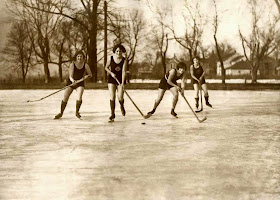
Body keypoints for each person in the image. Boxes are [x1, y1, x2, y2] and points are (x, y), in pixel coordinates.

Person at [54, 51, 92, 119]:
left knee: (79, 95)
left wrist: (86, 76)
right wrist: (73, 81)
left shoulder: (85, 65)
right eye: (78, 56)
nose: (79, 58)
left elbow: (90, 74)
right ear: (76, 57)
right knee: (65, 96)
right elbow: (70, 76)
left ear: (83, 57)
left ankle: (77, 112)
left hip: (80, 82)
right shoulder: (72, 64)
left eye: (81, 56)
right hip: (71, 82)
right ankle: (61, 113)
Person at [105, 43, 128, 122]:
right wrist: (111, 73)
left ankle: (122, 106)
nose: (118, 53)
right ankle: (112, 114)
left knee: (120, 96)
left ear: (122, 52)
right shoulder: (111, 58)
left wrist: (122, 83)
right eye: (117, 51)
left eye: (120, 51)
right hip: (112, 79)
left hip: (120, 79)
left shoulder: (124, 60)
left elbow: (124, 71)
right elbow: (106, 67)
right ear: (115, 52)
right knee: (112, 96)